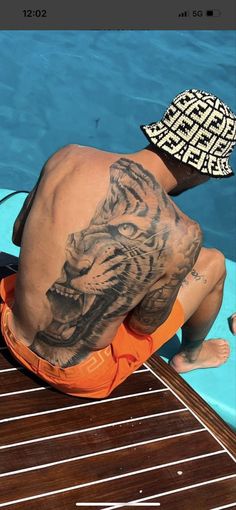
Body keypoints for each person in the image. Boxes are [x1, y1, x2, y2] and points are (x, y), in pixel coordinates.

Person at [0, 88, 235, 399]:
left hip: (11, 330)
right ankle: (190, 355)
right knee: (214, 263)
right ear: (197, 168)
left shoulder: (67, 156)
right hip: (80, 374)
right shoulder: (183, 232)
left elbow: (19, 235)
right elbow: (142, 326)